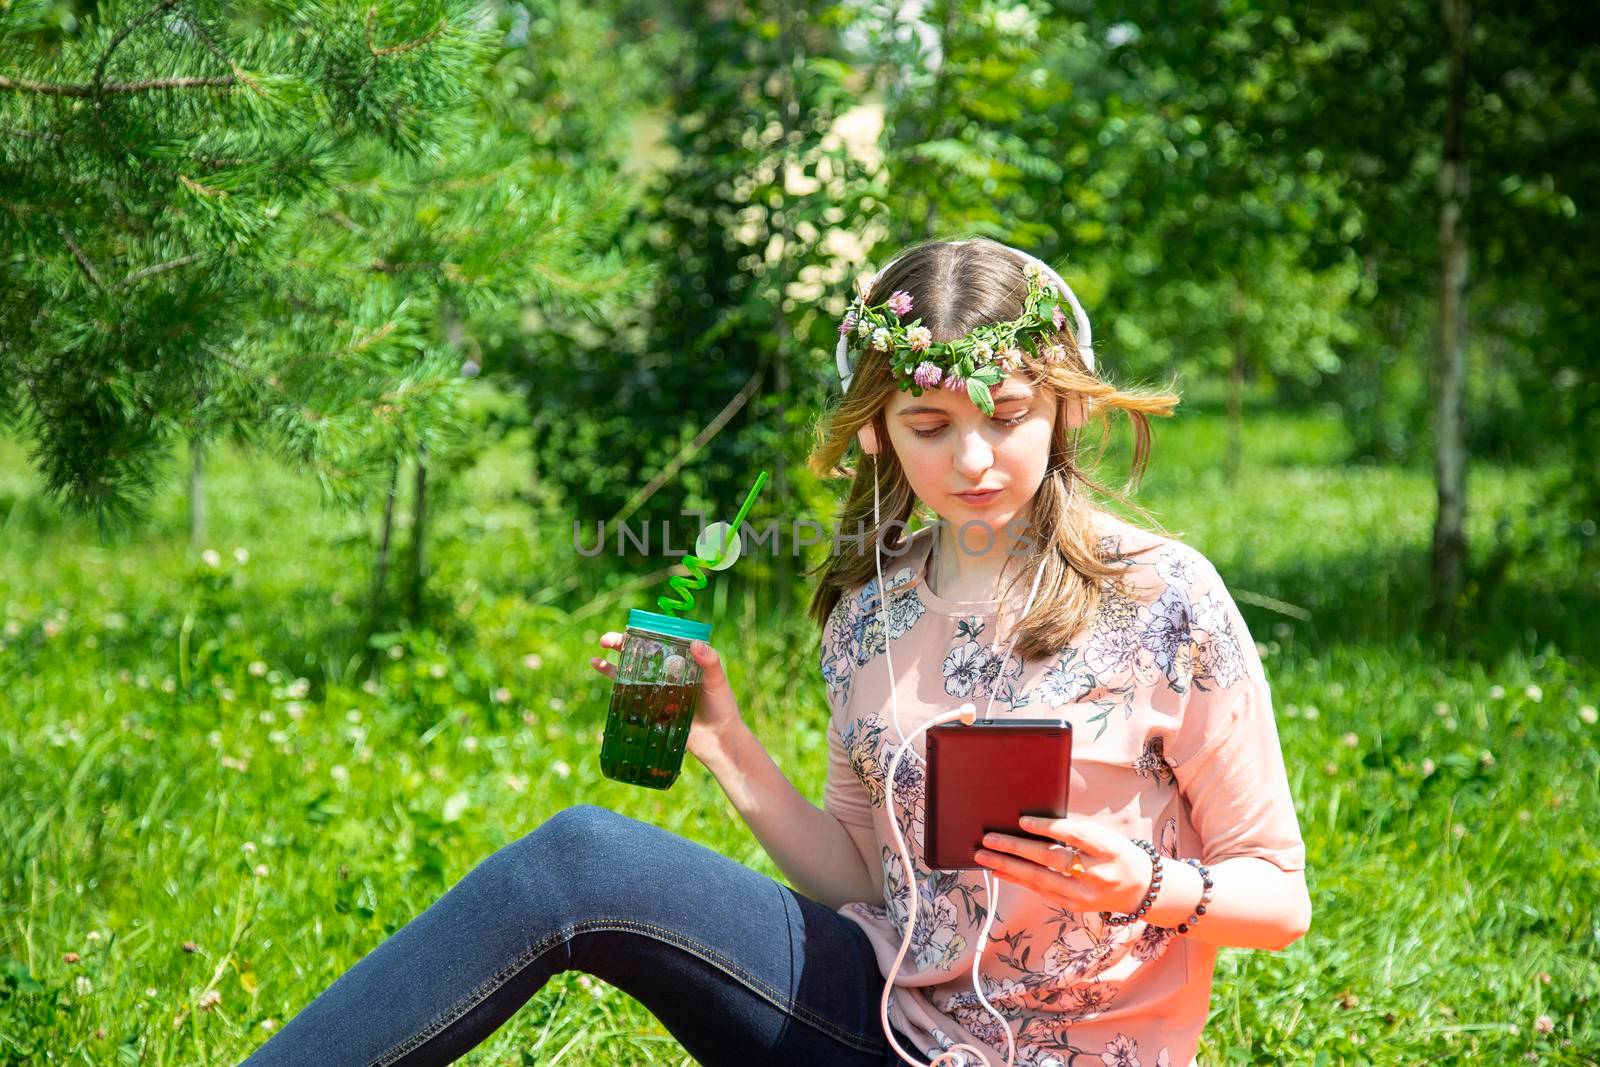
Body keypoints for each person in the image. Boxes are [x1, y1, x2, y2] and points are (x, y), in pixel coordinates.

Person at [241, 237, 1309, 1067]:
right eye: (929, 423)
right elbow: (862, 877)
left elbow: (1280, 895)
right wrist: (726, 742)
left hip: (1077, 1050)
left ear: (1062, 408)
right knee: (580, 856)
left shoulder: (1163, 596)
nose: (973, 457)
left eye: (1008, 414)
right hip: (883, 1019)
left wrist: (1146, 882)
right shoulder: (868, 616)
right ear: (878, 429)